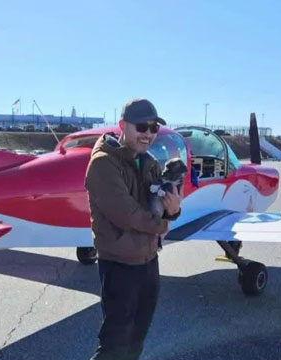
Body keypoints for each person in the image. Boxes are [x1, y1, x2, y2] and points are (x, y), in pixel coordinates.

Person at [85, 98, 182, 359]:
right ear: (122, 126)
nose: (148, 134)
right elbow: (126, 214)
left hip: (148, 262)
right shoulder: (103, 163)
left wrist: (174, 209)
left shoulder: (148, 161)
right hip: (119, 265)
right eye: (141, 127)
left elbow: (156, 205)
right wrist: (163, 225)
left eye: (153, 129)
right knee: (114, 346)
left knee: (137, 339)